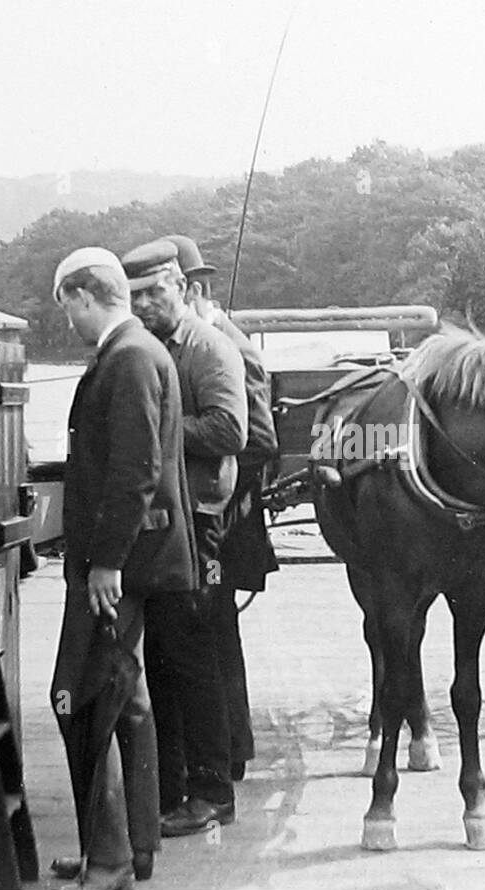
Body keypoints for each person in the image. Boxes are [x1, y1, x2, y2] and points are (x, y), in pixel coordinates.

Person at [47, 247, 196, 889]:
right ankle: (132, 850)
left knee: (83, 699)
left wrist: (105, 563)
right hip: (127, 562)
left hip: (119, 568)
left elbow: (135, 470)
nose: (69, 324)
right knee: (126, 700)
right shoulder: (134, 353)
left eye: (68, 309)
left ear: (84, 296)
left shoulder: (130, 358)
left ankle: (110, 859)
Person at [120, 238, 247, 836]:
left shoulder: (207, 348)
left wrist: (156, 430)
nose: (146, 304)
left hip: (200, 519)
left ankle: (212, 791)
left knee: (194, 654)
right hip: (165, 519)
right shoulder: (152, 349)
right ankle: (172, 787)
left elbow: (230, 430)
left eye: (156, 292)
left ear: (181, 288)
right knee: (166, 657)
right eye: (135, 295)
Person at [158, 233, 279, 782]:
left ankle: (228, 751)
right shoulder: (185, 344)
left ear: (196, 289)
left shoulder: (228, 347)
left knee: (212, 630)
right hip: (202, 511)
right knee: (208, 633)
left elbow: (258, 441)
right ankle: (219, 749)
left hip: (228, 515)